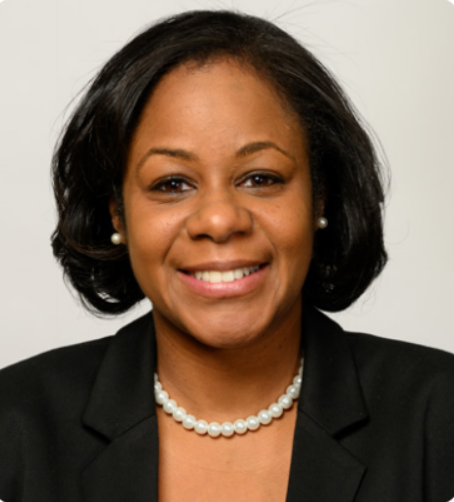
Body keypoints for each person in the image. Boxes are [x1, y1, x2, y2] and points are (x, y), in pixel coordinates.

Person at [0, 9, 453, 502]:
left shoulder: (439, 414)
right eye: (171, 184)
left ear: (319, 198)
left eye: (260, 178)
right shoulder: (14, 423)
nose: (219, 221)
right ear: (118, 216)